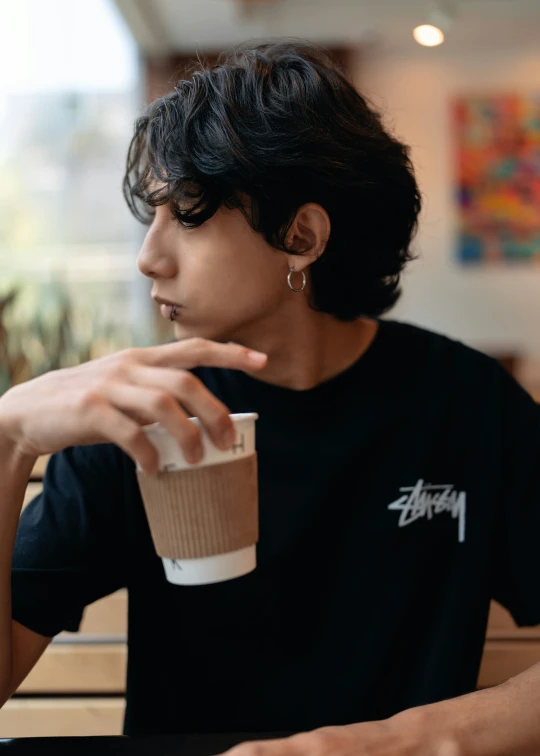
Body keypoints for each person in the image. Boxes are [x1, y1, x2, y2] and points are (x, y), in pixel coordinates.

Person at [0, 40, 539, 756]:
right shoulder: (140, 416)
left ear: (302, 235)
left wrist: (392, 743)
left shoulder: (469, 407)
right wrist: (8, 440)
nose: (148, 256)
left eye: (186, 213)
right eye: (149, 216)